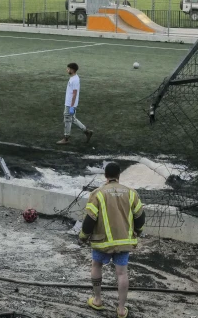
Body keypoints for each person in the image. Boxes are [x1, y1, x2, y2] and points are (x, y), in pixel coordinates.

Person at [80, 163, 145, 318]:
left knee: (96, 265)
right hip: (124, 242)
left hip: (101, 242)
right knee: (122, 273)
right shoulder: (131, 193)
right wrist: (138, 232)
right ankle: (121, 310)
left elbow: (90, 219)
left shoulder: (98, 193)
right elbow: (140, 217)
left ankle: (97, 300)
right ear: (119, 175)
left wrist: (83, 236)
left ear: (105, 176)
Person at [57, 62, 91, 145]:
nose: (67, 70)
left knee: (67, 120)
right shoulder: (73, 78)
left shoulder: (75, 79)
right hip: (69, 103)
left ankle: (66, 138)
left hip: (70, 104)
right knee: (72, 119)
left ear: (72, 70)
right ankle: (87, 131)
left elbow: (74, 93)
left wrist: (72, 106)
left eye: (68, 68)